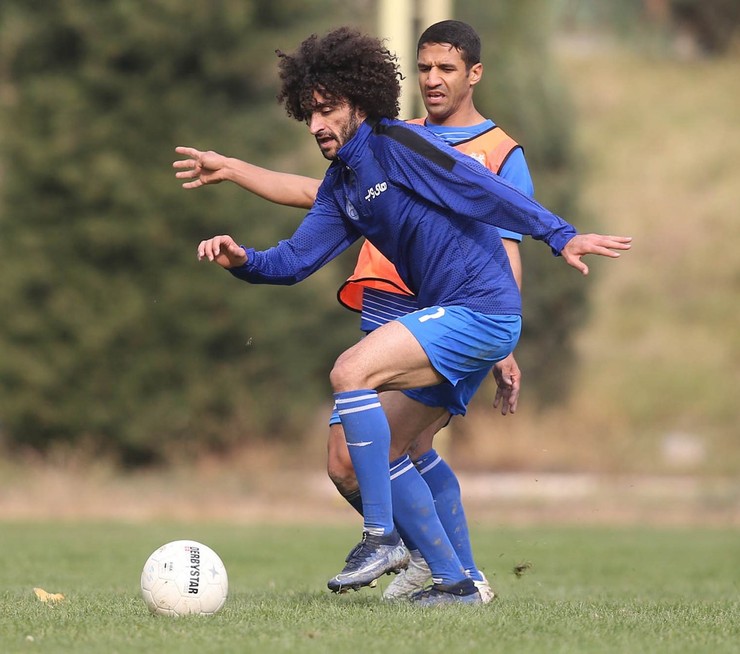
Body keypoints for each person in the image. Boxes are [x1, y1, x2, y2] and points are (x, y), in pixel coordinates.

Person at [195, 26, 631, 605]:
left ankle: (383, 538)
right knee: (379, 451)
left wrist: (561, 235)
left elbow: (483, 191)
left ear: (360, 99)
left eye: (329, 110)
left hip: (480, 311)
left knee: (350, 371)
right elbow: (295, 261)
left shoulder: (399, 143)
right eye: (310, 114)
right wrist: (241, 260)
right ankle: (456, 583)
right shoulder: (343, 184)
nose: (318, 125)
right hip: (451, 315)